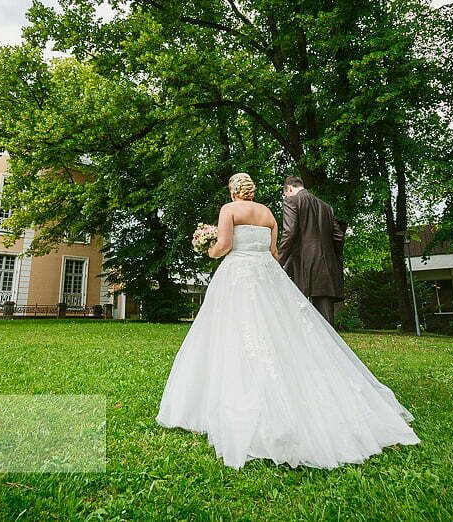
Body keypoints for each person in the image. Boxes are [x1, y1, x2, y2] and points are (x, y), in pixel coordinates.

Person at [156, 173, 420, 469]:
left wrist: (208, 247)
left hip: (238, 274)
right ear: (251, 191)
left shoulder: (228, 210)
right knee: (281, 329)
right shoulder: (268, 212)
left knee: (230, 332)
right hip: (268, 274)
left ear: (233, 192)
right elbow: (274, 252)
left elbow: (226, 245)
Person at [278, 176, 345, 326]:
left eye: (285, 193)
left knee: (294, 307)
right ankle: (330, 347)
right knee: (326, 318)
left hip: (300, 263)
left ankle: (299, 345)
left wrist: (278, 261)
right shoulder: (326, 207)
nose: (286, 196)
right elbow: (339, 238)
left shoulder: (291, 200)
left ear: (289, 188)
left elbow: (289, 232)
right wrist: (332, 257)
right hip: (325, 265)